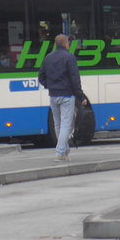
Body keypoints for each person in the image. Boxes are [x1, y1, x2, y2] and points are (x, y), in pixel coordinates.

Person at [37, 33, 89, 161]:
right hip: (67, 95)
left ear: (55, 44)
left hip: (53, 95)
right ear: (66, 44)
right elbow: (75, 79)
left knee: (58, 125)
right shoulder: (69, 58)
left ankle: (64, 151)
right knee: (66, 125)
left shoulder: (48, 57)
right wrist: (81, 96)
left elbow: (41, 77)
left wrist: (49, 86)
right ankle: (60, 153)